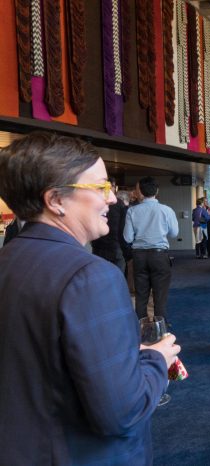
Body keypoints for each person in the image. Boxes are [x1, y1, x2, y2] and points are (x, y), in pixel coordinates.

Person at [0, 132, 180, 464]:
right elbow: (122, 411)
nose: (112, 199)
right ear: (55, 200)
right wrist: (156, 360)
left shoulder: (10, 259)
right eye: (100, 188)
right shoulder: (90, 276)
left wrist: (121, 353)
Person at [124, 176, 179, 322]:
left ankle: (141, 329)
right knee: (160, 296)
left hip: (139, 256)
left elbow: (128, 238)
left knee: (141, 295)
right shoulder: (166, 210)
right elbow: (174, 233)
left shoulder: (132, 211)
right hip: (159, 256)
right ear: (157, 191)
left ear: (140, 191)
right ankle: (160, 329)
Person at [91, 179, 128, 274]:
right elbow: (123, 225)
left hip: (98, 243)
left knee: (99, 272)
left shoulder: (96, 201)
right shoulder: (119, 203)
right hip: (115, 243)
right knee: (118, 271)